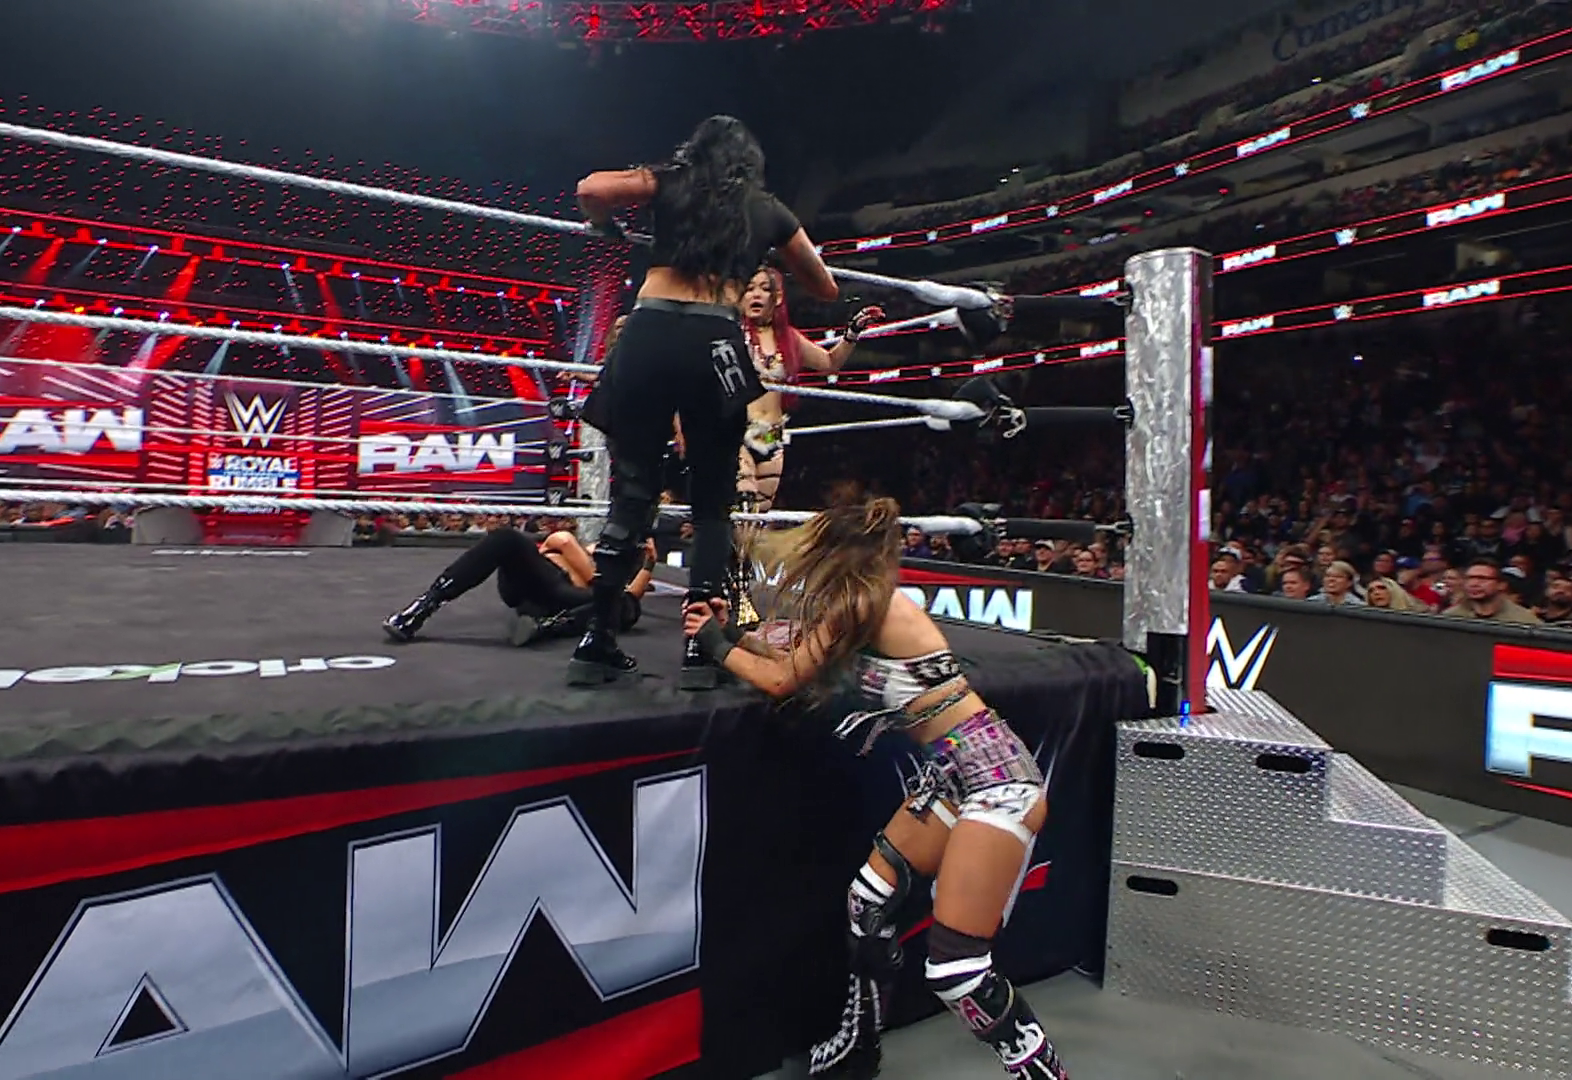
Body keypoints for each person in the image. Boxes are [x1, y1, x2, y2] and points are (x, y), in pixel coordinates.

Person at [681, 498, 1070, 1080]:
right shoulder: (854, 604)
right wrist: (729, 629)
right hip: (952, 777)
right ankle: (857, 1047)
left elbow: (783, 678)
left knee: (958, 970)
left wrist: (715, 643)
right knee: (867, 902)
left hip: (996, 780)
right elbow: (782, 648)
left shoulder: (867, 604)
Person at [572, 114, 838, 688]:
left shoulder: (670, 180)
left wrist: (606, 227)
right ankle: (702, 647)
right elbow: (825, 285)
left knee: (632, 493)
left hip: (646, 333)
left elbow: (591, 189)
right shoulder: (764, 207)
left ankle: (597, 640)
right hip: (714, 340)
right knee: (713, 503)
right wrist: (761, 252)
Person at [736, 265, 882, 514]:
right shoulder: (733, 334)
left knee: (757, 516)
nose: (756, 294)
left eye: (764, 289)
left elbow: (829, 363)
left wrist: (852, 333)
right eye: (749, 289)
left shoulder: (789, 339)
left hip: (771, 435)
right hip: (738, 432)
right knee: (742, 500)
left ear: (777, 297)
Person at [384, 528, 656, 647]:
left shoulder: (618, 570)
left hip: (562, 598)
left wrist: (648, 565)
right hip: (545, 582)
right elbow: (561, 540)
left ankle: (546, 625)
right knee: (505, 538)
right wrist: (600, 582)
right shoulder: (590, 552)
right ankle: (423, 606)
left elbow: (630, 600)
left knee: (623, 607)